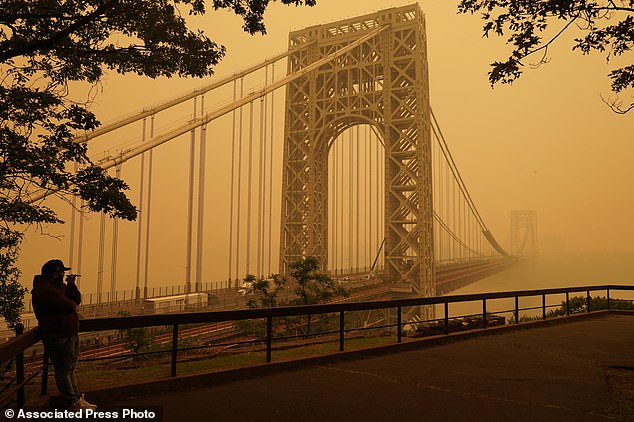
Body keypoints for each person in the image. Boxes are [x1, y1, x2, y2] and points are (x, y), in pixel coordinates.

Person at [31, 259, 97, 411]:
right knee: (63, 371)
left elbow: (77, 300)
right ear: (55, 273)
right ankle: (73, 402)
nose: (64, 274)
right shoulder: (46, 290)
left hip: (68, 333)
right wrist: (70, 301)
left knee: (70, 369)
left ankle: (76, 399)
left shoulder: (58, 287)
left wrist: (71, 285)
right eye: (62, 272)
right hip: (58, 336)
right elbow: (69, 306)